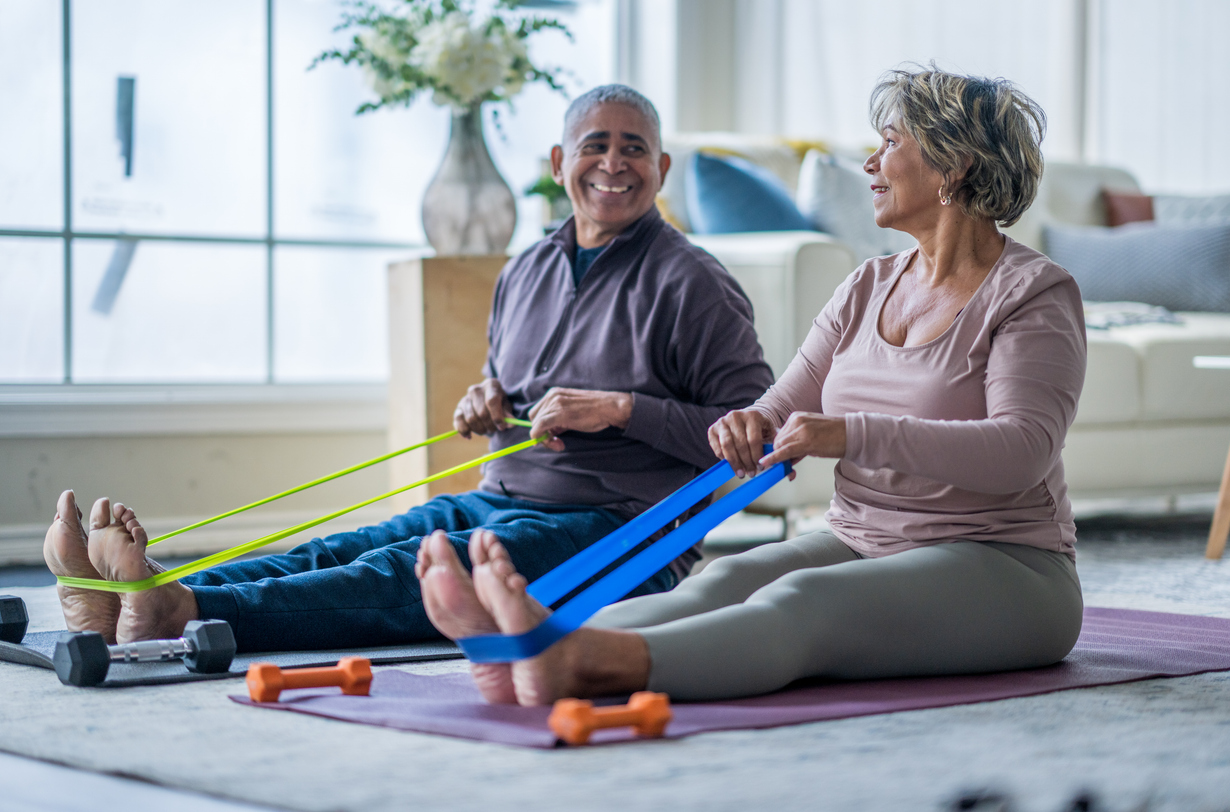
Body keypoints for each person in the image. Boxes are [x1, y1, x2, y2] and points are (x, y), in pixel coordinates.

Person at [417, 66, 1089, 705]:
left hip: (1005, 564)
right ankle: (529, 643)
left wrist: (850, 434)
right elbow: (781, 402)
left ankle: (586, 664)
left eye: (889, 144)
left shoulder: (1032, 294)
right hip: (862, 539)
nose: (869, 164)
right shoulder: (868, 285)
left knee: (803, 604)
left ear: (956, 161)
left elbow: (1021, 451)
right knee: (730, 576)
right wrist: (751, 424)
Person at [44, 84, 774, 651]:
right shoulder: (525, 271)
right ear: (559, 163)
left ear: (661, 168)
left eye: (635, 150)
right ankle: (137, 594)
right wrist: (486, 402)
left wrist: (620, 409)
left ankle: (177, 610)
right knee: (347, 547)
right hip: (501, 497)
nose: (614, 164)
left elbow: (758, 442)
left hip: (619, 532)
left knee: (405, 575)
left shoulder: (693, 283)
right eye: (595, 145)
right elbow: (508, 393)